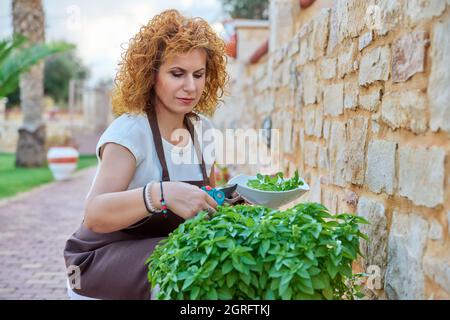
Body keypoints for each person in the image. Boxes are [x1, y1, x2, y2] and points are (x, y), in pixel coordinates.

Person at [63, 9, 230, 300]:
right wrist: (160, 194)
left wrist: (236, 203)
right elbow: (95, 215)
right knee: (184, 270)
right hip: (100, 258)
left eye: (198, 74)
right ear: (151, 76)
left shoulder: (204, 132)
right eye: (177, 74)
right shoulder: (130, 132)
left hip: (167, 250)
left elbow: (208, 206)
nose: (190, 86)